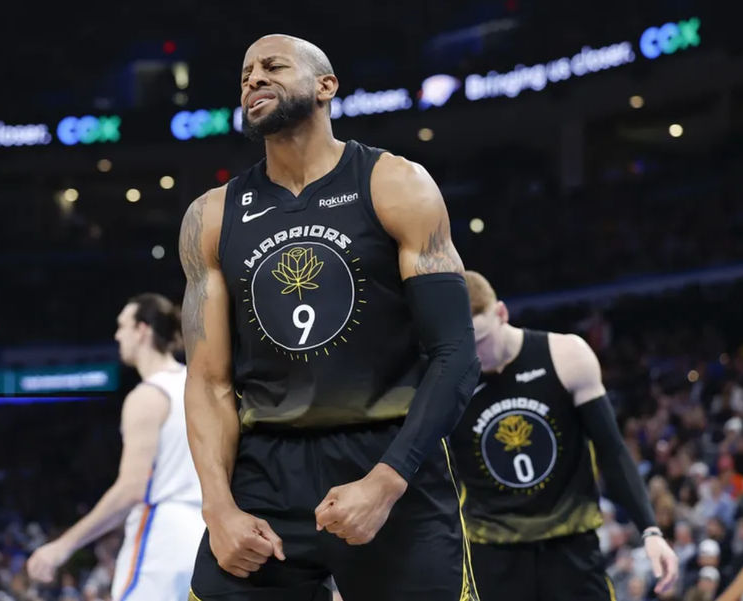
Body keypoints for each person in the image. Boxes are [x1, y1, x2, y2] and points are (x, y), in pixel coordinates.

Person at [179, 34, 480, 601]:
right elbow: (208, 381)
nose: (253, 80)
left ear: (326, 85)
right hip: (266, 467)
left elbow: (455, 355)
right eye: (245, 74)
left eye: (272, 66)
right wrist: (217, 508)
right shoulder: (211, 217)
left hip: (387, 453)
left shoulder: (395, 183)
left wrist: (388, 481)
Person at [448, 271, 678, 601]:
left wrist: (650, 530)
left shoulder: (566, 355)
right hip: (492, 551)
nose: (475, 355)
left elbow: (612, 450)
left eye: (481, 340)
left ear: (501, 313)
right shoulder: (449, 379)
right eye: (463, 344)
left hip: (570, 544)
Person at [27, 294, 202, 601]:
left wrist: (62, 546)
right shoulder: (199, 383)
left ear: (142, 330)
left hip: (162, 538)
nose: (116, 335)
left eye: (122, 326)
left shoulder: (147, 396)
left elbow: (131, 489)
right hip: (207, 536)